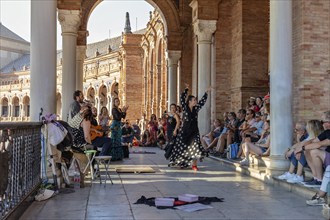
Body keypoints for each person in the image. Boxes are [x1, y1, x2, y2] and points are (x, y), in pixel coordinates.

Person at [167, 83, 211, 170]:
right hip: (185, 131)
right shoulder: (185, 107)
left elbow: (202, 101)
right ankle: (182, 163)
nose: (196, 101)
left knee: (196, 147)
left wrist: (206, 92)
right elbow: (182, 98)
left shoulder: (196, 108)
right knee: (182, 147)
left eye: (195, 100)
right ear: (190, 101)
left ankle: (194, 165)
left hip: (194, 131)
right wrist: (186, 89)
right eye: (194, 100)